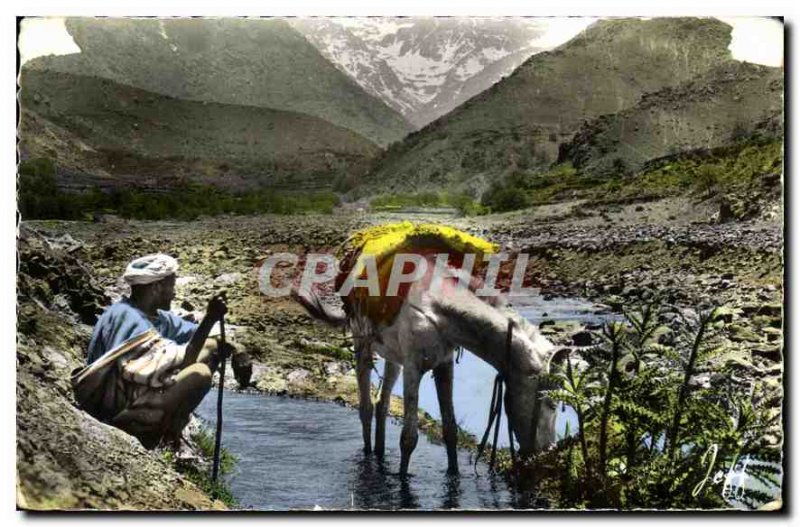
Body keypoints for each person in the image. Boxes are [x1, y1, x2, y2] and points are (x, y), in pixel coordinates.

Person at [84, 253, 237, 449]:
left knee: (211, 347)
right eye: (171, 286)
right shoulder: (127, 318)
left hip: (130, 394)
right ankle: (144, 431)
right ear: (156, 287)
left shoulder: (158, 317)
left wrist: (237, 348)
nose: (174, 293)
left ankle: (168, 429)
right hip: (110, 407)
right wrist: (209, 318)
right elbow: (185, 361)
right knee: (199, 373)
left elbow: (203, 335)